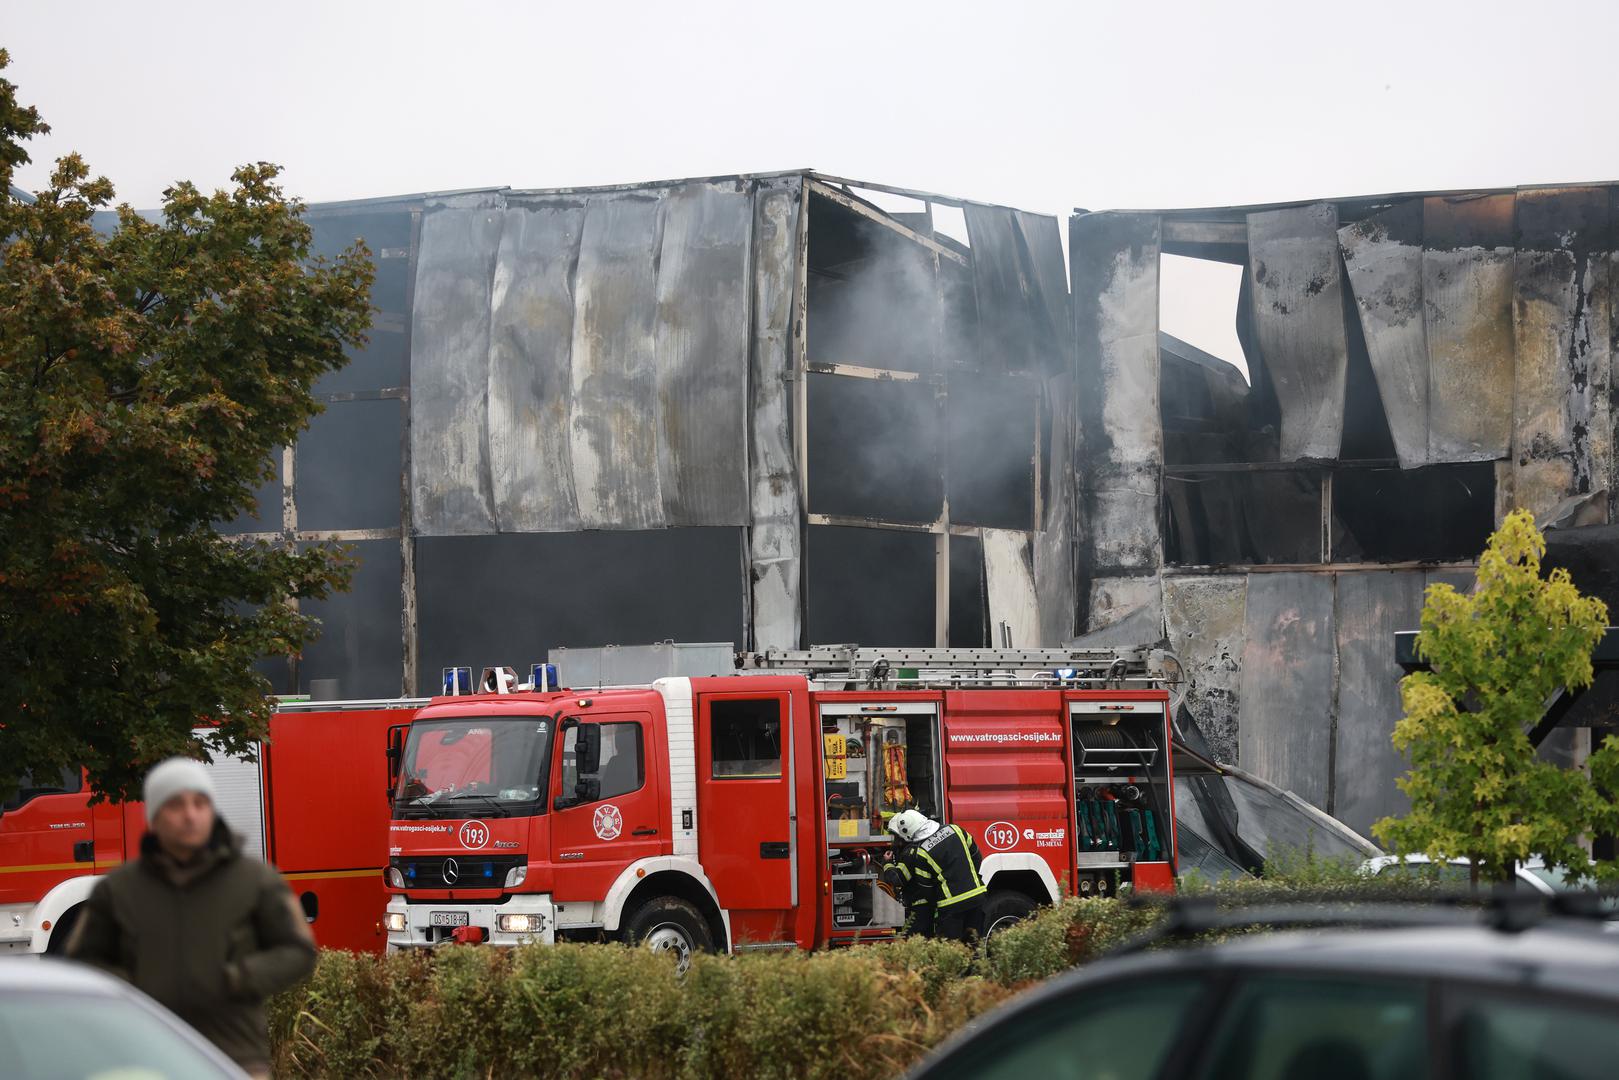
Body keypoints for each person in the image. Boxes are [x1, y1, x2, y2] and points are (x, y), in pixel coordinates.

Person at [68, 757, 317, 1079]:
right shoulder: (118, 890)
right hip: (145, 1059)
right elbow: (81, 963)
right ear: (154, 817)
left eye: (200, 804)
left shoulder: (256, 880)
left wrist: (239, 978)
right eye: (176, 805)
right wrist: (134, 990)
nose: (190, 815)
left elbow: (298, 951)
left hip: (233, 1059)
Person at [885, 809, 987, 943]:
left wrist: (887, 864)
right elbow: (976, 855)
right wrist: (971, 879)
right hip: (977, 897)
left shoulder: (921, 853)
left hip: (951, 907)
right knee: (975, 945)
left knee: (952, 951)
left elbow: (926, 888)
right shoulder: (955, 830)